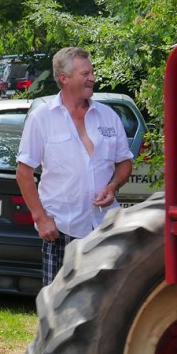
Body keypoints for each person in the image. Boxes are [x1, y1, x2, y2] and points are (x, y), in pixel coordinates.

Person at [16, 46, 134, 286]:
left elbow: (125, 162)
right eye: (85, 73)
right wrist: (41, 218)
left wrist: (113, 186)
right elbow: (24, 173)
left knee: (105, 304)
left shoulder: (108, 116)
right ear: (64, 78)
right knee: (59, 308)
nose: (92, 78)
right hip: (61, 230)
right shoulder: (42, 118)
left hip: (104, 228)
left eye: (91, 72)